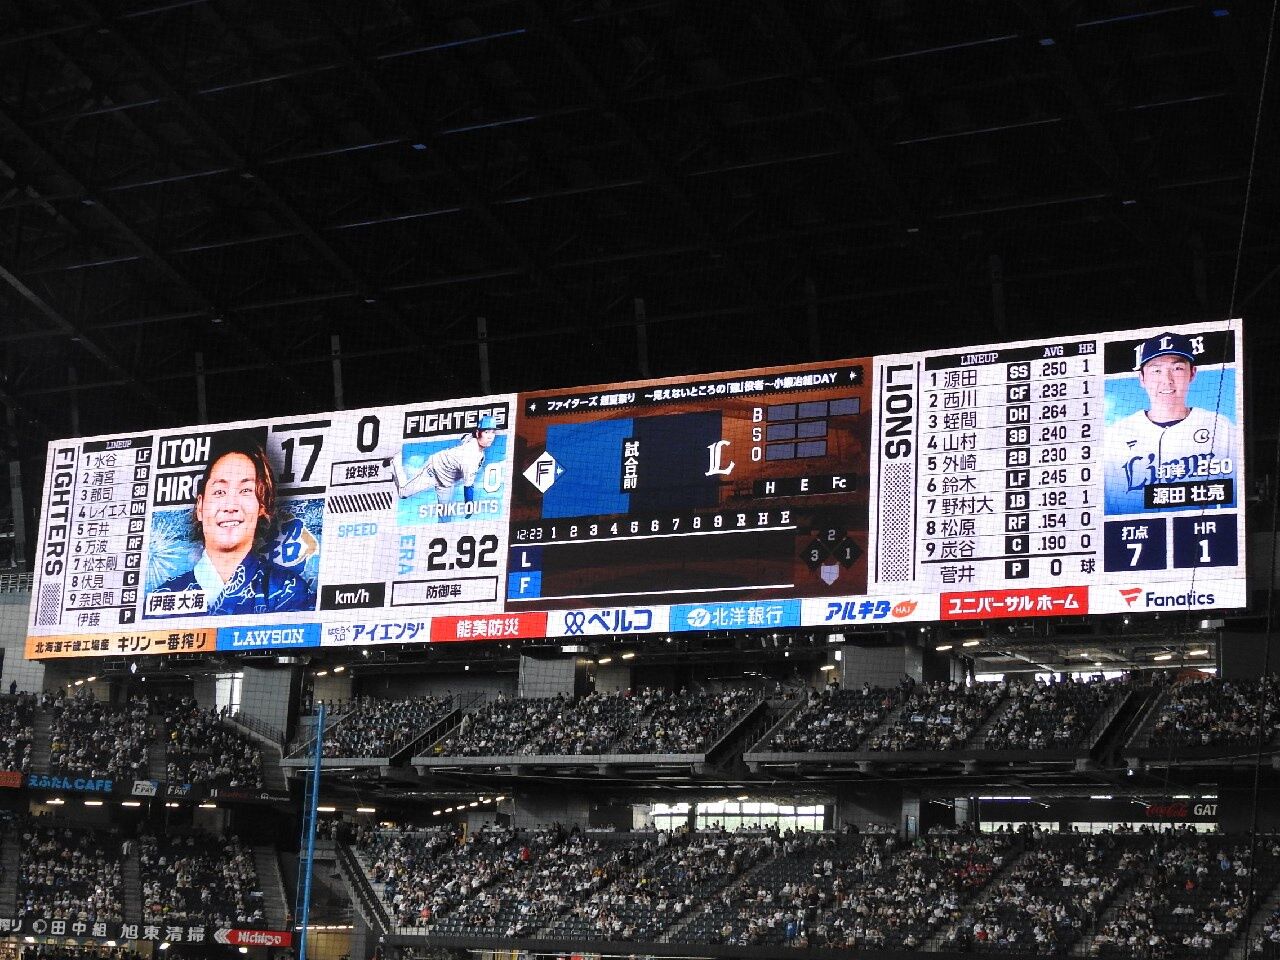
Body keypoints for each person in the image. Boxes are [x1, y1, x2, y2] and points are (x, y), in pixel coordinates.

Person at [150, 439, 315, 614]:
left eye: (245, 491)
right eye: (219, 492)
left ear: (262, 506)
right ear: (200, 507)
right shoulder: (164, 598)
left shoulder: (286, 591)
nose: (230, 506)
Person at [1106, 331, 1235, 514]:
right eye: (1156, 370)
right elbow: (1110, 509)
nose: (1167, 380)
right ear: (1142, 379)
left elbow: (1234, 499)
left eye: (1177, 369)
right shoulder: (1116, 435)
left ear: (1192, 373)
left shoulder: (1221, 428)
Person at [386, 415, 497, 518]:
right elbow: (468, 487)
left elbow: (464, 438)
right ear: (478, 433)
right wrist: (469, 508)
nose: (490, 436)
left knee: (445, 516)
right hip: (433, 471)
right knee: (403, 493)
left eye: (493, 432)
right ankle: (395, 460)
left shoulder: (473, 441)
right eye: (486, 432)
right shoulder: (471, 457)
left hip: (446, 483)